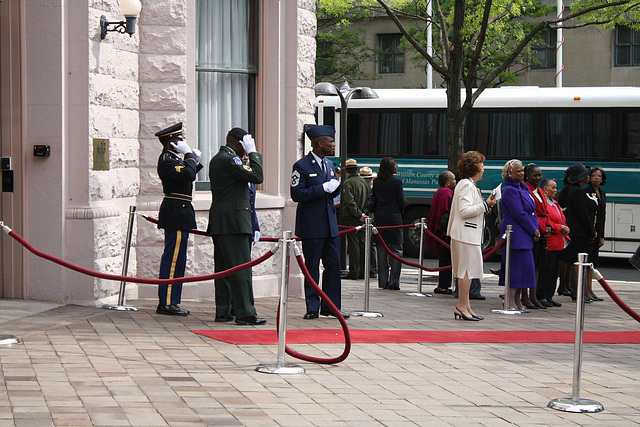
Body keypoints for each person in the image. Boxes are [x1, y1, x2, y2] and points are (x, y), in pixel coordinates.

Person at [207, 127, 266, 325]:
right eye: (245, 145)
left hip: (222, 221)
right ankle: (245, 313)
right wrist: (254, 153)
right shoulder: (230, 159)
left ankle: (224, 310)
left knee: (224, 270)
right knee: (241, 270)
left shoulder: (220, 158)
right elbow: (257, 176)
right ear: (239, 144)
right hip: (234, 222)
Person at [290, 125, 348, 319]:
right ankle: (312, 307)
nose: (333, 145)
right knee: (312, 267)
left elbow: (331, 191)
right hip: (312, 226)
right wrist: (322, 188)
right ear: (319, 143)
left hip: (330, 225)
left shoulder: (330, 165)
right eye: (331, 142)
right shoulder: (302, 166)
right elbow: (296, 193)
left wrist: (336, 188)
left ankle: (331, 306)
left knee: (333, 266)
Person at [155, 122, 202, 316]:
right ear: (170, 143)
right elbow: (188, 175)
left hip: (180, 211)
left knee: (179, 259)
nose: (182, 142)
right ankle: (166, 302)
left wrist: (194, 161)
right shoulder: (167, 160)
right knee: (173, 259)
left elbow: (186, 176)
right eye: (178, 140)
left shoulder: (174, 159)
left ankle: (173, 301)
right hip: (175, 211)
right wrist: (190, 156)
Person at [447, 151, 496, 321]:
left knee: (466, 271)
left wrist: (484, 205)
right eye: (481, 166)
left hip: (466, 234)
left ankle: (466, 306)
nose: (483, 170)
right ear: (474, 168)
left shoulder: (466, 184)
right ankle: (461, 306)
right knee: (466, 272)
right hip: (466, 234)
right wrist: (485, 204)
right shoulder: (467, 185)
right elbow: (465, 211)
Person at [498, 160, 540, 312]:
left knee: (524, 269)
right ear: (509, 173)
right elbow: (519, 213)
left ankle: (517, 301)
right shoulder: (509, 190)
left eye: (522, 171)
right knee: (515, 269)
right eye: (518, 171)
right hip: (516, 233)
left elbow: (531, 211)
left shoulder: (523, 188)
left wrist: (536, 228)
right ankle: (509, 301)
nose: (522, 173)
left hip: (525, 233)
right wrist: (533, 229)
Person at [563, 163, 596, 302]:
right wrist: (591, 232)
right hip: (579, 232)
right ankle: (577, 292)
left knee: (578, 262)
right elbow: (583, 214)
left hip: (578, 231)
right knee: (578, 262)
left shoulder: (577, 190)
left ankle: (578, 291)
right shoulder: (577, 192)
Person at [372, 157, 406, 290]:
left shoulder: (377, 181)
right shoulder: (397, 182)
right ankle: (394, 282)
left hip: (380, 218)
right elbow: (402, 201)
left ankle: (383, 281)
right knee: (397, 251)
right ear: (392, 168)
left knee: (382, 250)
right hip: (394, 218)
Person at [537, 178, 570, 307]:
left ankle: (549, 295)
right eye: (553, 188)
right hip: (550, 240)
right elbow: (546, 220)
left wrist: (564, 226)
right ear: (545, 189)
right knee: (546, 269)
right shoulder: (544, 203)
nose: (556, 190)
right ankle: (541, 295)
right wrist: (559, 227)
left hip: (558, 242)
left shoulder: (555, 202)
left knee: (554, 271)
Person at [524, 163, 550, 309]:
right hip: (533, 230)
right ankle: (526, 296)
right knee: (530, 265)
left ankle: (534, 295)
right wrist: (537, 229)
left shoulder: (539, 190)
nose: (538, 177)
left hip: (542, 229)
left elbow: (545, 211)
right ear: (528, 176)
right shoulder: (526, 189)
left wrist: (548, 227)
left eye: (540, 175)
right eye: (535, 175)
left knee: (538, 265)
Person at [341, 158, 372, 280]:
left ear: (347, 171)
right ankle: (364, 270)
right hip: (364, 217)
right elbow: (369, 199)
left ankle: (354, 271)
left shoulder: (347, 183)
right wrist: (364, 215)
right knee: (363, 244)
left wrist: (358, 215)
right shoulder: (364, 182)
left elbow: (350, 201)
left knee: (354, 246)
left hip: (352, 217)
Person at [427, 170, 456, 294]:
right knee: (446, 259)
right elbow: (444, 212)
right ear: (448, 182)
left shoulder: (440, 192)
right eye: (453, 179)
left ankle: (444, 284)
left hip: (439, 230)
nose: (455, 181)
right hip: (443, 232)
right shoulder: (446, 193)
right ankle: (443, 285)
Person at [584, 166, 606, 302]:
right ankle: (586, 290)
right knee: (587, 262)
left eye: (599, 176)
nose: (596, 178)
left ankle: (590, 289)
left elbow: (603, 215)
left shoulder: (602, 193)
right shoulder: (586, 192)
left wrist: (602, 235)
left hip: (598, 231)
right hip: (589, 231)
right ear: (589, 178)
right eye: (594, 175)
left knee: (593, 262)